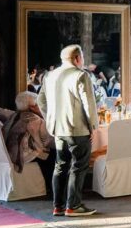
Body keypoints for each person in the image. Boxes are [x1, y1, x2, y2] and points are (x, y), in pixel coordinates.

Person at [37, 44, 99, 217]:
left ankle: (58, 206)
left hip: (58, 129)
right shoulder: (81, 75)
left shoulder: (49, 75)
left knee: (60, 166)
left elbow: (40, 101)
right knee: (79, 166)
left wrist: (50, 117)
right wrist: (93, 126)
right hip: (78, 129)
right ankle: (73, 206)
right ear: (77, 58)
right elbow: (89, 103)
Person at [3, 92, 55, 197]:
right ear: (33, 106)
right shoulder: (34, 119)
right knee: (54, 155)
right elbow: (48, 140)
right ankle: (54, 188)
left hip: (11, 153)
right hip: (23, 155)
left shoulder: (13, 116)